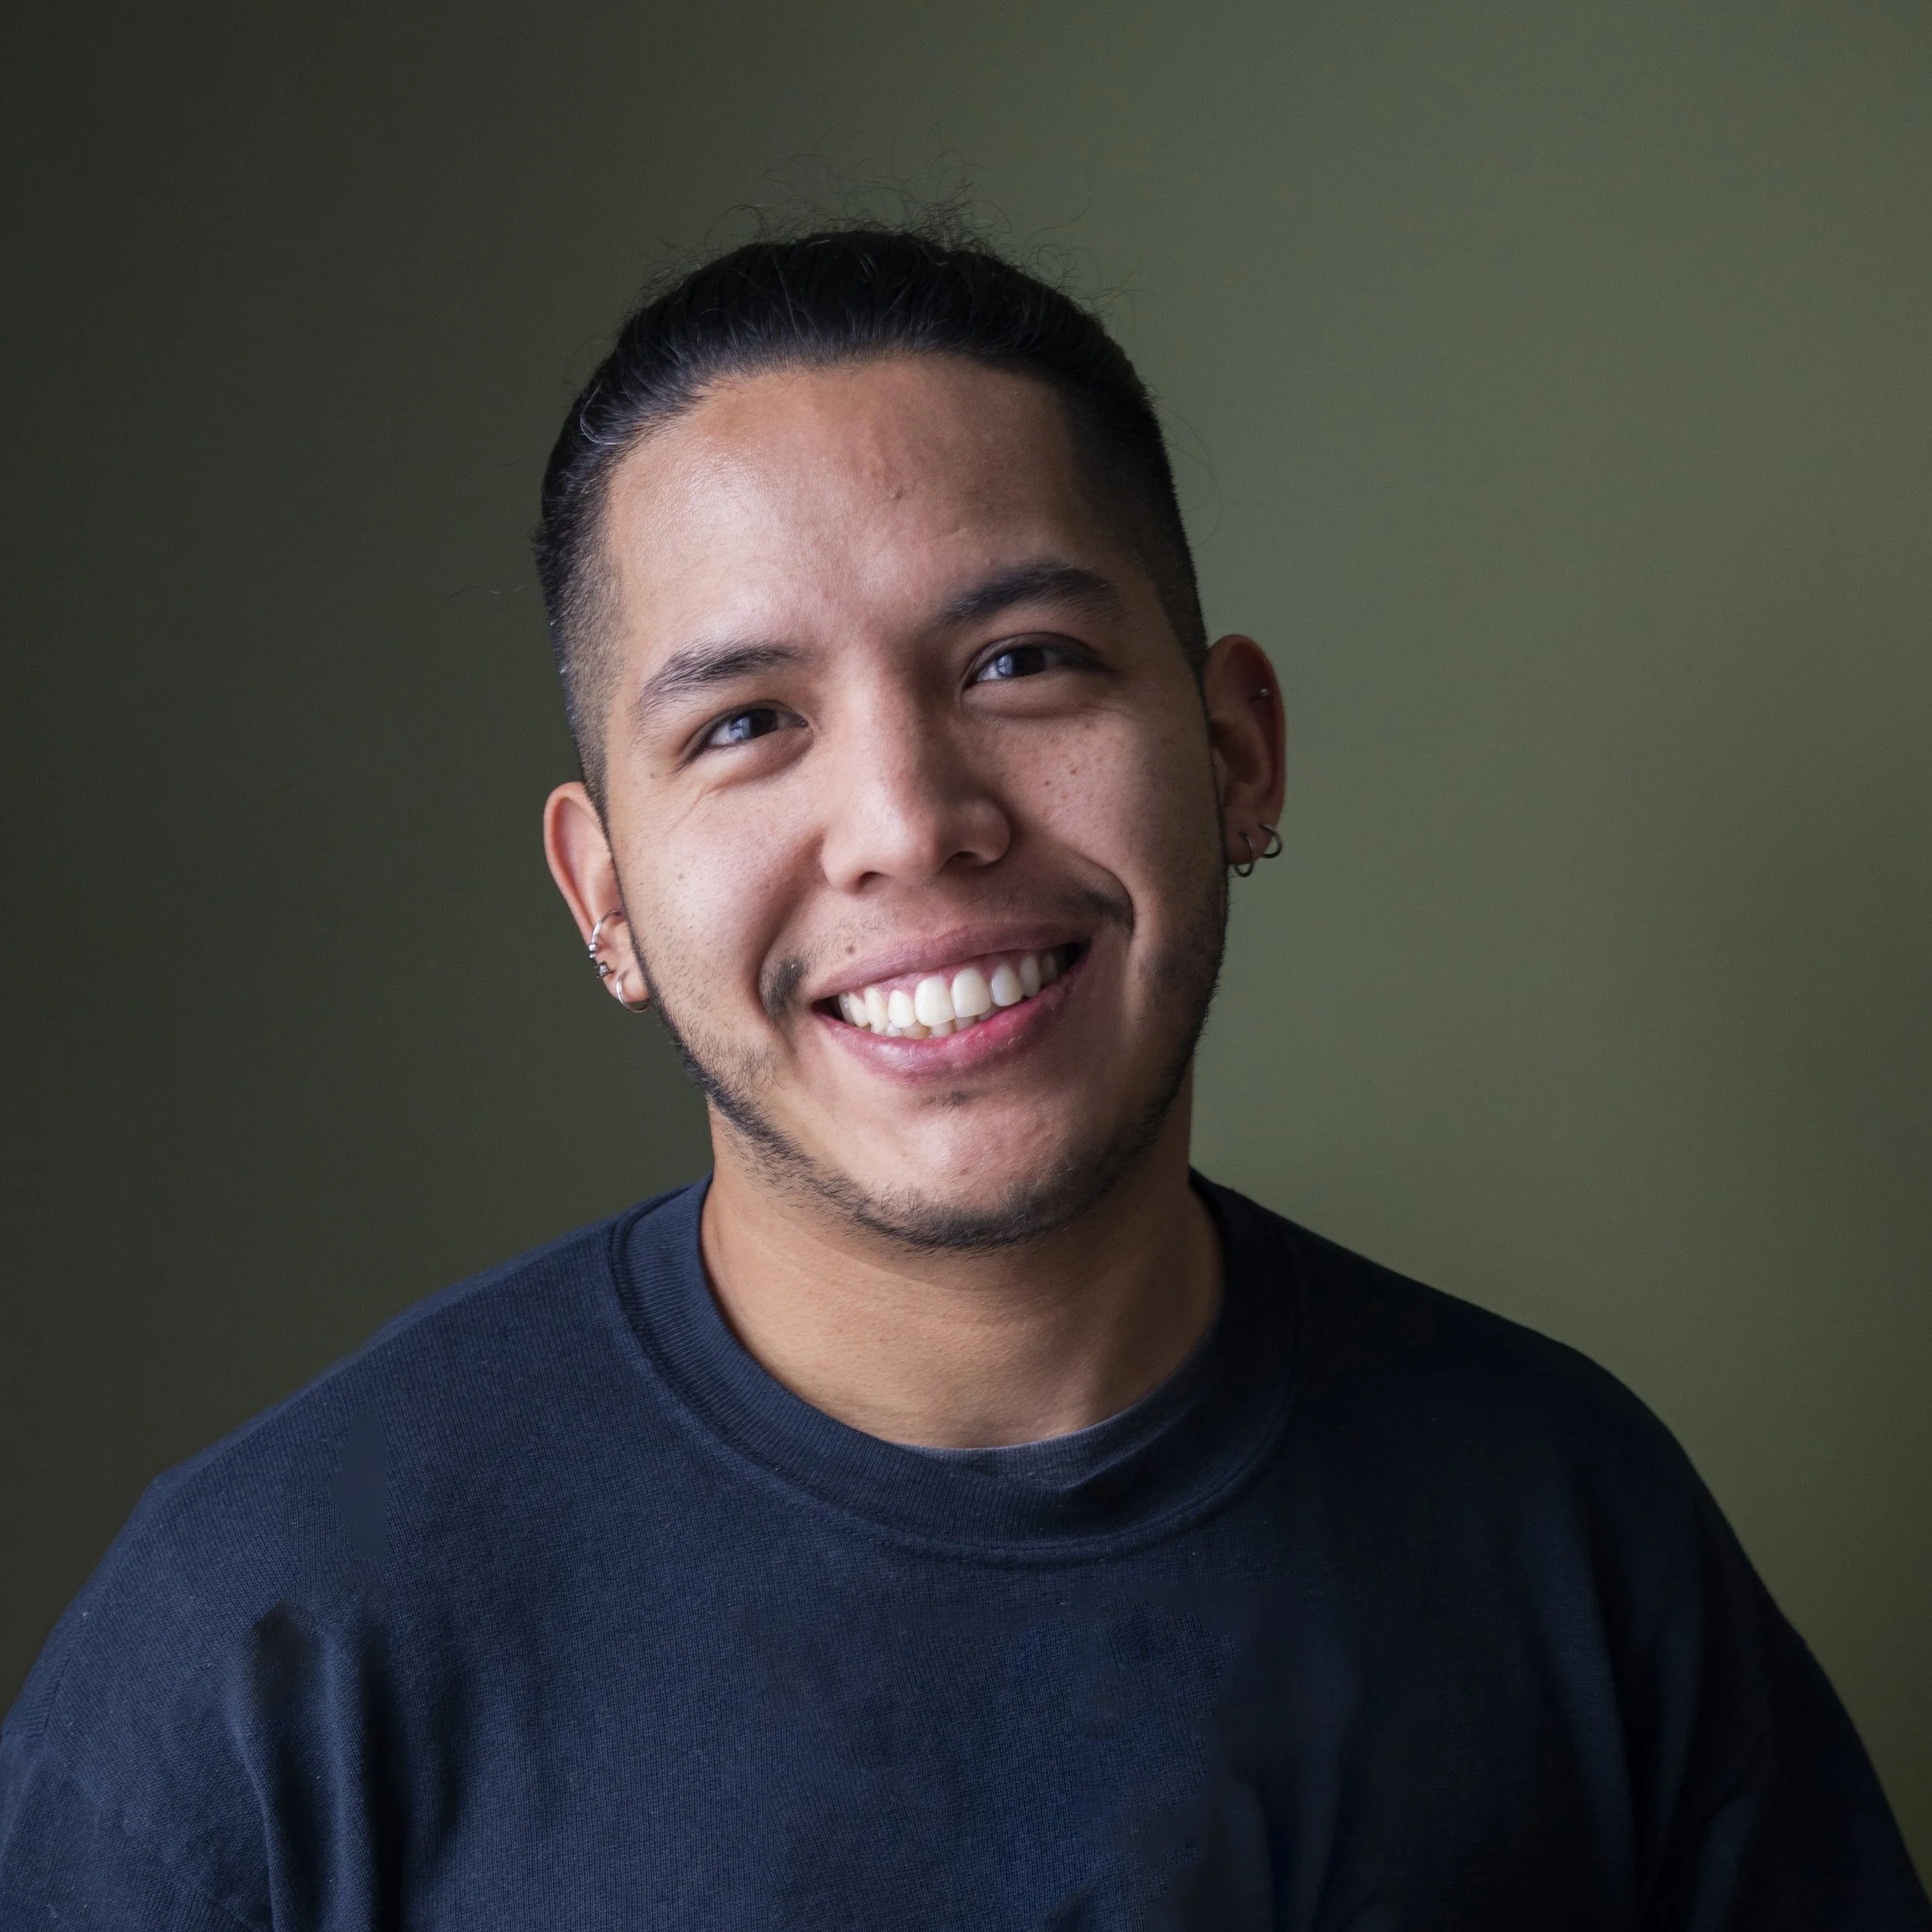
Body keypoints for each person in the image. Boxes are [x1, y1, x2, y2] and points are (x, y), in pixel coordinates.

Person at [1, 226, 1925, 1932]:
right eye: (747, 723)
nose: (908, 822)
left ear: (1237, 750)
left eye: (1019, 661)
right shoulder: (270, 1637)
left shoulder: (1562, 1525)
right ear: (603, 891)